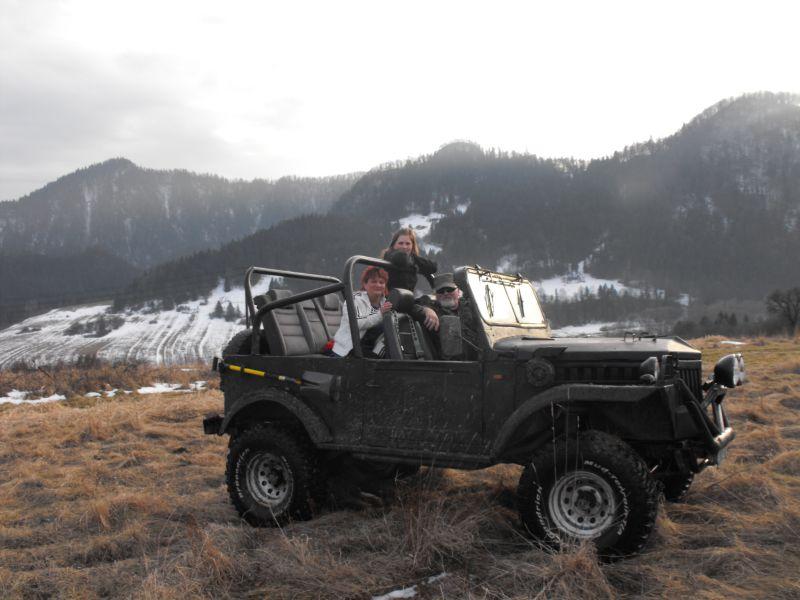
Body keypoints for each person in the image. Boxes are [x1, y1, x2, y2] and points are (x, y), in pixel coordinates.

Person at [381, 227, 439, 331]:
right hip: (393, 303)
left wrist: (414, 258)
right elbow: (400, 258)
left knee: (432, 304)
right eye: (401, 243)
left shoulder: (412, 259)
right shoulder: (390, 256)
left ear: (412, 246)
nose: (404, 246)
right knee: (429, 318)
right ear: (394, 245)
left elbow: (433, 267)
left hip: (407, 301)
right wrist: (414, 262)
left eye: (408, 244)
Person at [330, 266, 392, 357]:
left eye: (381, 282)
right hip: (351, 349)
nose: (378, 285)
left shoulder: (386, 302)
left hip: (373, 348)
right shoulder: (354, 299)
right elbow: (356, 323)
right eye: (374, 281)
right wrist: (380, 314)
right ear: (365, 284)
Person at [426, 272, 479, 359]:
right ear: (436, 295)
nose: (446, 293)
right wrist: (426, 310)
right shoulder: (433, 309)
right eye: (441, 291)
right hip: (454, 365)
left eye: (450, 289)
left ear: (458, 291)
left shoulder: (471, 306)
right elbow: (414, 305)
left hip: (480, 357)